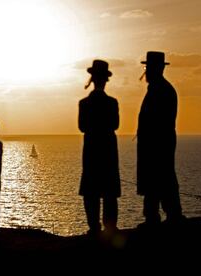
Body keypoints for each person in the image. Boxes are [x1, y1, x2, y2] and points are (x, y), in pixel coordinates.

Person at [137, 51, 184, 227]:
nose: (146, 71)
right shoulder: (160, 89)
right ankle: (159, 216)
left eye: (147, 67)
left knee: (162, 177)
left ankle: (165, 215)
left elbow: (159, 121)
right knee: (160, 178)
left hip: (158, 143)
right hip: (158, 142)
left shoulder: (161, 90)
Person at [78, 60, 121, 237]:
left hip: (91, 150)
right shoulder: (112, 102)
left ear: (93, 80)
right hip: (108, 149)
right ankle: (110, 227)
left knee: (91, 191)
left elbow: (82, 127)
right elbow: (116, 125)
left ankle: (93, 227)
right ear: (105, 81)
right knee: (109, 191)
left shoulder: (84, 103)